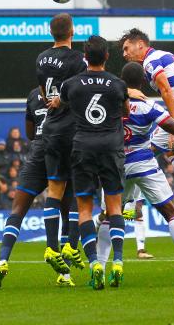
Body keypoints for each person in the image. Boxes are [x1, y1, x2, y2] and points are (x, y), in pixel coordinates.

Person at [103, 61, 174, 284]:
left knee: (107, 217)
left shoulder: (108, 103)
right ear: (142, 81)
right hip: (144, 163)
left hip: (116, 165)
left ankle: (100, 268)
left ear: (121, 79)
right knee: (171, 213)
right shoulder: (148, 106)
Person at [46, 35, 127, 290]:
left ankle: (94, 264)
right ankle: (118, 261)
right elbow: (125, 111)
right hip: (111, 148)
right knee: (114, 207)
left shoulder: (72, 84)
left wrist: (57, 100)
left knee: (83, 210)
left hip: (82, 148)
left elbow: (60, 102)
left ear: (85, 56)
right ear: (106, 56)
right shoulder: (117, 83)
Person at [0, 87, 83, 289]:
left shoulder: (32, 95)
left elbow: (30, 133)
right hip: (60, 151)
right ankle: (64, 275)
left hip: (37, 152)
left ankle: (2, 260)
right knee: (67, 211)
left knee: (17, 211)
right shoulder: (72, 92)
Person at [120, 28, 174, 218]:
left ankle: (129, 205)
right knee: (171, 152)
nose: (124, 53)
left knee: (140, 151)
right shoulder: (164, 55)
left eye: (127, 48)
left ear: (140, 44)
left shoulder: (150, 61)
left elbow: (166, 90)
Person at [36, 13, 87, 277]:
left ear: (51, 32)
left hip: (51, 129)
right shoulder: (79, 59)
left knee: (54, 191)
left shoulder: (41, 58)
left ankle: (50, 247)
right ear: (72, 32)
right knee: (79, 189)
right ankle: (70, 245)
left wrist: (56, 99)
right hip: (73, 130)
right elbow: (79, 93)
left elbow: (44, 95)